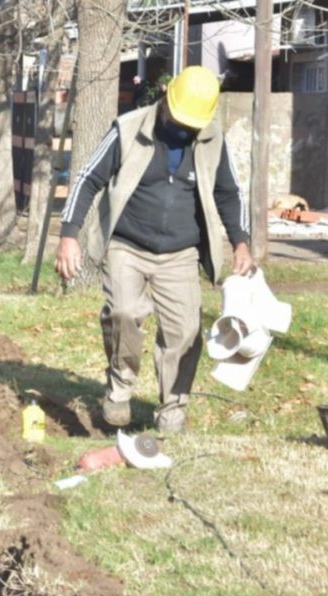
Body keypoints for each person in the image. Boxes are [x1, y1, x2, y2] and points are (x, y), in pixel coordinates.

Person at [54, 65, 253, 434]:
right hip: (127, 244)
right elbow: (87, 179)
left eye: (191, 123)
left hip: (180, 252)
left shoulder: (212, 139)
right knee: (124, 313)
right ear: (165, 98)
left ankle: (173, 409)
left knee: (186, 331)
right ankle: (118, 390)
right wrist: (69, 235)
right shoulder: (128, 129)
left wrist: (241, 241)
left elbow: (229, 193)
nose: (183, 128)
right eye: (178, 119)